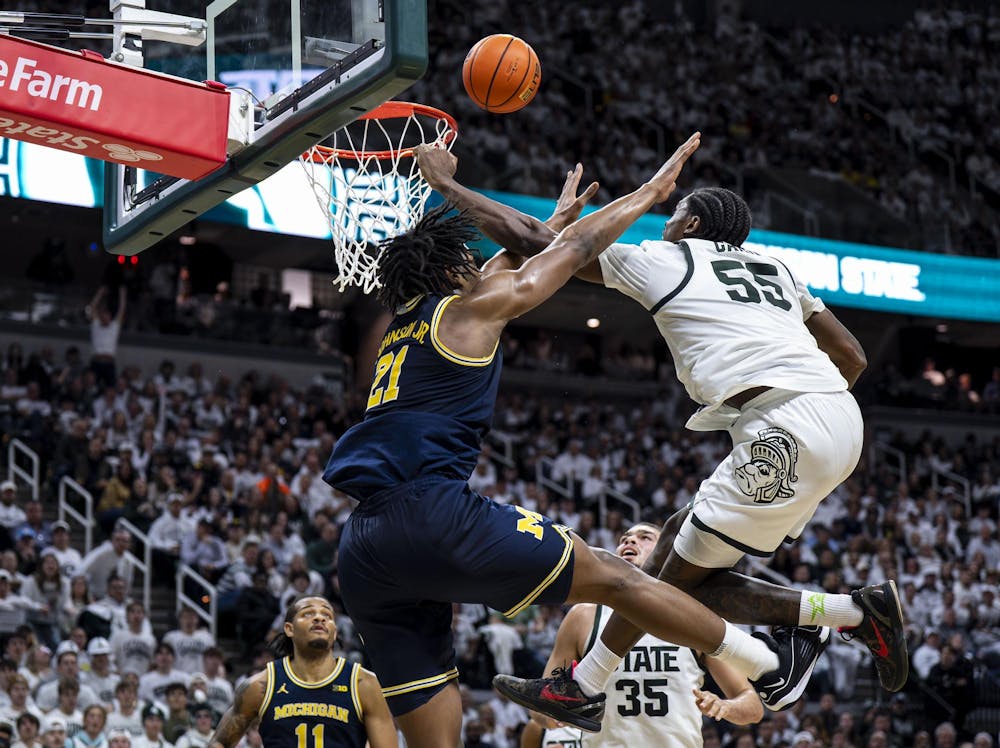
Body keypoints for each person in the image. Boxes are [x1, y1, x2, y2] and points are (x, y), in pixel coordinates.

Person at [321, 136, 823, 748]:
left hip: (364, 547)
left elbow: (513, 262)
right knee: (619, 578)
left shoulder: (407, 327)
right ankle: (766, 663)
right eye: (467, 261)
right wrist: (650, 194)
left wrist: (552, 221)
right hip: (431, 514)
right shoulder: (470, 309)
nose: (479, 266)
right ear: (452, 271)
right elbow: (578, 250)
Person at [415, 147, 908, 728]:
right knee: (673, 554)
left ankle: (834, 620)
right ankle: (838, 618)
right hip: (839, 417)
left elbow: (537, 242)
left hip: (786, 427)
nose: (664, 222)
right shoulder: (777, 270)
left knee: (666, 589)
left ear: (691, 224)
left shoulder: (669, 260)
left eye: (673, 215)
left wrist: (447, 185)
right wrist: (808, 412)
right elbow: (852, 356)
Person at [522, 522, 763, 748]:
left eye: (644, 537)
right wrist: (552, 717)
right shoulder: (583, 616)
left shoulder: (694, 616)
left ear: (666, 554)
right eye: (624, 539)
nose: (629, 541)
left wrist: (724, 707)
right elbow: (540, 705)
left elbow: (751, 705)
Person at [206, 595, 395, 748]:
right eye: (308, 613)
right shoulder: (261, 685)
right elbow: (220, 742)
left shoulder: (364, 684)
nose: (320, 618)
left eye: (327, 615)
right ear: (289, 629)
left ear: (335, 632)